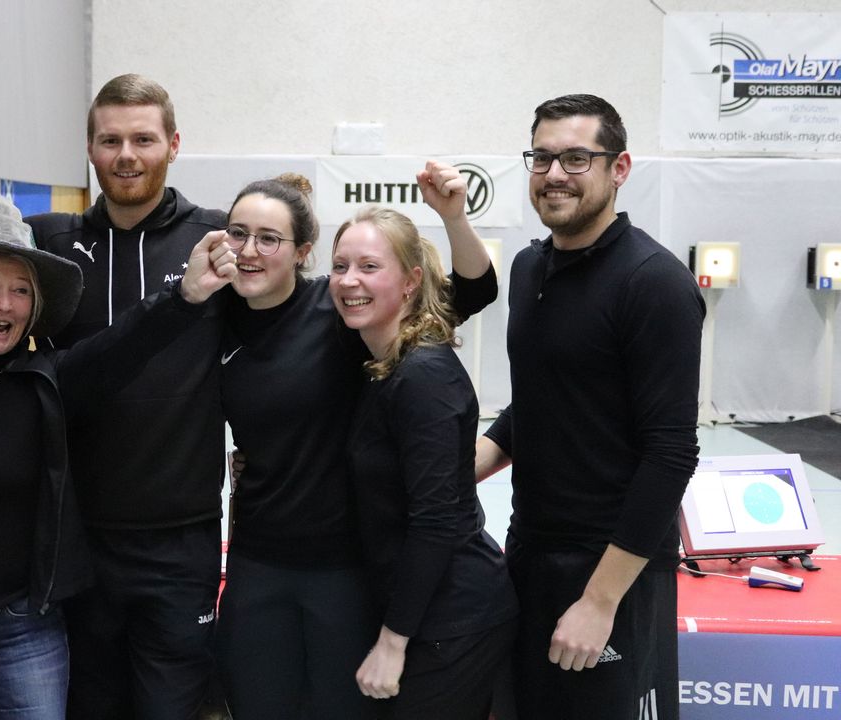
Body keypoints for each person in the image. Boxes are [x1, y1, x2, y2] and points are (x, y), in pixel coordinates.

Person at [0, 65, 229, 719]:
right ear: (88, 149)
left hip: (178, 540)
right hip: (76, 547)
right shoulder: (53, 239)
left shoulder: (214, 241)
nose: (125, 155)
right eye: (110, 140)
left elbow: (293, 323)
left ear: (173, 144)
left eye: (143, 139)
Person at [213, 170, 497, 719]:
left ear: (301, 252)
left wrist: (454, 217)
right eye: (239, 234)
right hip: (257, 562)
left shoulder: (341, 312)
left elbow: (475, 290)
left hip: (344, 567)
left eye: (269, 239)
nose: (251, 251)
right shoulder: (215, 319)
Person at [475, 94, 704, 720]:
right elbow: (542, 400)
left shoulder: (653, 282)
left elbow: (671, 452)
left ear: (619, 168)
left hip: (613, 569)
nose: (554, 175)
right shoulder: (529, 268)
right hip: (528, 551)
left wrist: (600, 601)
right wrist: (457, 465)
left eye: (577, 158)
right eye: (542, 158)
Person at [330, 206, 518, 718]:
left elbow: (436, 521)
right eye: (340, 266)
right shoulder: (380, 363)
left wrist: (393, 643)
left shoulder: (423, 376)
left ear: (412, 281)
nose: (350, 281)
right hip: (424, 610)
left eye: (369, 267)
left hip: (452, 618)